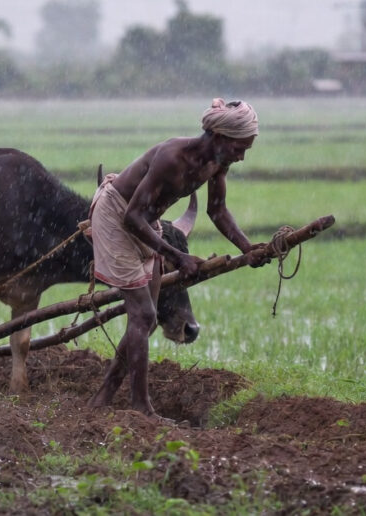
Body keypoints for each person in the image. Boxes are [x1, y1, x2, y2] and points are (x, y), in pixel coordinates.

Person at [87, 98, 269, 419]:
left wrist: (248, 248)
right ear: (220, 137)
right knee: (143, 315)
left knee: (147, 318)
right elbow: (131, 217)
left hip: (145, 219)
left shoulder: (217, 163)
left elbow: (217, 210)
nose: (241, 158)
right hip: (117, 215)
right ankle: (141, 408)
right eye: (239, 149)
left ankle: (103, 397)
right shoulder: (172, 158)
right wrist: (177, 256)